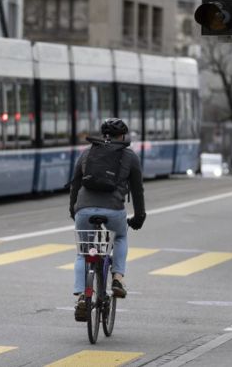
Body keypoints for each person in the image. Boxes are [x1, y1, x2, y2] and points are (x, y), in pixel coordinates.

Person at [68, 118, 146, 322]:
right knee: (120, 237)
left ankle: (81, 298)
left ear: (104, 135)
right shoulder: (129, 156)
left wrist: (74, 210)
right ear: (123, 136)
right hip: (114, 211)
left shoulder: (87, 153)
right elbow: (137, 191)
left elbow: (75, 184)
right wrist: (139, 217)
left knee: (83, 253)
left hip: (84, 209)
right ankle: (117, 279)